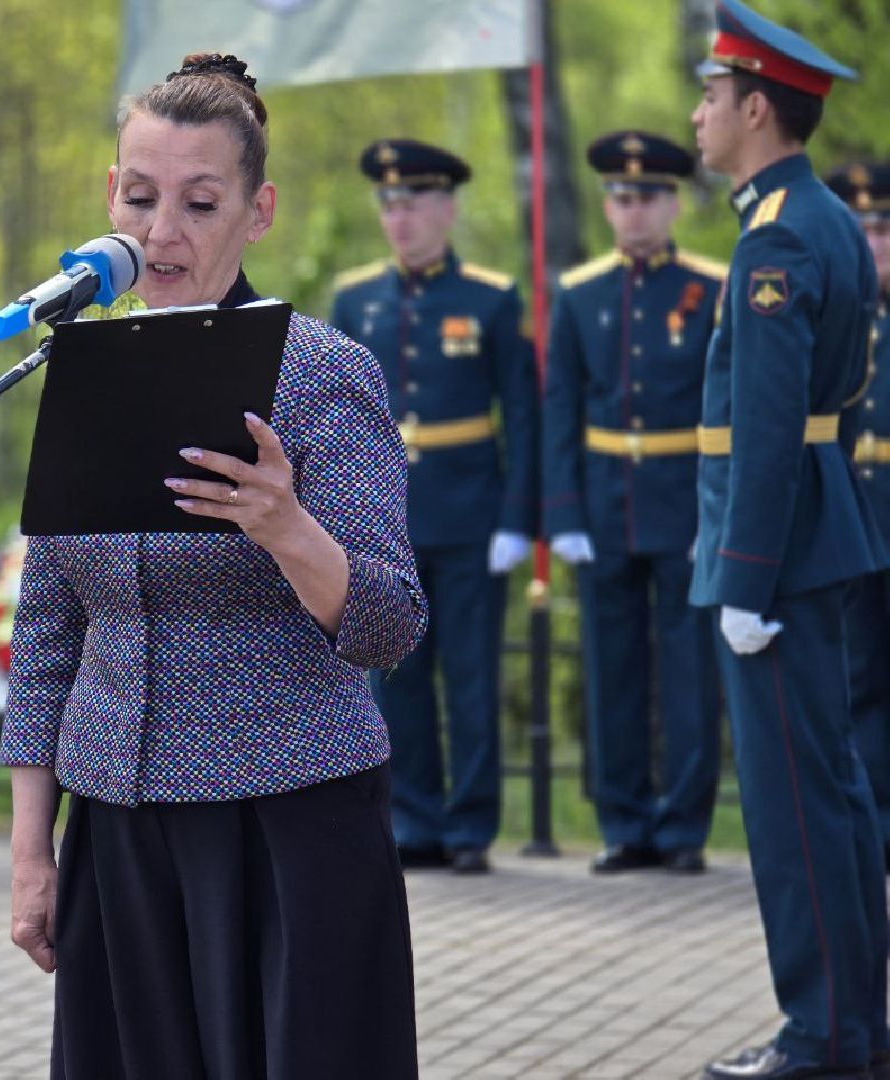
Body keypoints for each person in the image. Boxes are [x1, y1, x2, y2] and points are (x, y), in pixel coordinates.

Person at [0, 53, 428, 1079]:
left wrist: (287, 527)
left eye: (200, 202)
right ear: (110, 194)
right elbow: (49, 627)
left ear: (258, 209)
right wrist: (30, 852)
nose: (163, 232)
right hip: (120, 826)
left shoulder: (322, 374)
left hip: (287, 829)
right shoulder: (83, 369)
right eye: (140, 197)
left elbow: (392, 624)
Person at [689, 3, 889, 1077]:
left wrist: (745, 579)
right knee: (839, 798)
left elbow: (769, 425)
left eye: (712, 96)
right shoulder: (824, 221)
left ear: (757, 107)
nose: (698, 112)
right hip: (822, 533)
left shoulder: (776, 235)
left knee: (796, 809)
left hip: (778, 550)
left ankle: (821, 1035)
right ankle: (855, 1025)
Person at [329, 139, 538, 875]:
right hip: (386, 526)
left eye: (416, 200)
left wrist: (518, 519)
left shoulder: (489, 297)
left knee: (473, 678)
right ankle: (413, 820)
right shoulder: (356, 301)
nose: (402, 216)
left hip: (472, 518)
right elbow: (338, 424)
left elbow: (523, 415)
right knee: (399, 681)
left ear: (447, 208)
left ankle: (471, 826)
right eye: (390, 203)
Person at [543, 131, 725, 876]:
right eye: (621, 197)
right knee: (610, 673)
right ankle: (623, 822)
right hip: (606, 502)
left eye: (647, 196)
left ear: (673, 202)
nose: (634, 210)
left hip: (684, 502)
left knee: (689, 674)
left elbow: (728, 410)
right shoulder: (580, 293)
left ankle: (683, 827)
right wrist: (563, 516)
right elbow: (562, 409)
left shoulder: (710, 289)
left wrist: (718, 512)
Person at [827, 161, 890, 875]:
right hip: (851, 509)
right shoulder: (838, 307)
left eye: (884, 227)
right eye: (862, 228)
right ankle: (874, 821)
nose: (874, 242)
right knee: (859, 674)